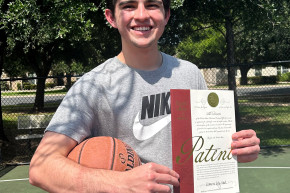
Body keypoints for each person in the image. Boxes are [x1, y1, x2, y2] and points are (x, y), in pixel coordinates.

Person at [29, 0, 260, 192]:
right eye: (129, 6)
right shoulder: (92, 86)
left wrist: (237, 148)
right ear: (111, 18)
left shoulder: (190, 73)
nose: (141, 15)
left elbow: (205, 147)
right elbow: (41, 168)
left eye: (152, 5)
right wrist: (120, 182)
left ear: (166, 15)